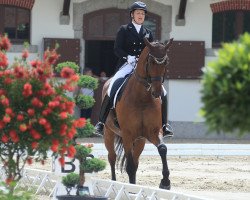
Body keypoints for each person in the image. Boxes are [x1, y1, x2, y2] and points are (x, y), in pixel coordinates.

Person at [94, 1, 174, 138]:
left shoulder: (148, 32)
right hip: (127, 65)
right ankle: (101, 123)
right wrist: (128, 57)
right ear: (132, 15)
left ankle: (165, 125)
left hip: (144, 68)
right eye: (138, 13)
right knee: (113, 86)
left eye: (142, 14)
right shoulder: (124, 30)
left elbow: (153, 51)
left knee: (163, 92)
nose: (140, 15)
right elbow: (117, 49)